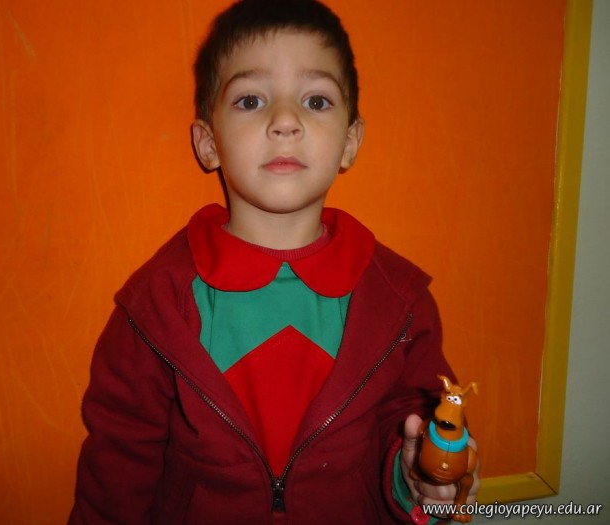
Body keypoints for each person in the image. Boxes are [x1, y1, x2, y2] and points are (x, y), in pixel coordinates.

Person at [69, 0, 479, 523]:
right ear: (208, 143)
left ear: (350, 141)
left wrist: (419, 475)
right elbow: (119, 462)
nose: (285, 121)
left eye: (316, 100)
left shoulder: (398, 300)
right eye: (250, 100)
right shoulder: (157, 304)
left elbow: (412, 423)